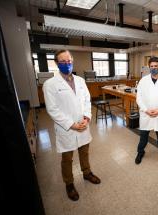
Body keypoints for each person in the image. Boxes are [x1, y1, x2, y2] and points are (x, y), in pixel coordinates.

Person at [43, 50, 101, 201]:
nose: (66, 64)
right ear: (57, 63)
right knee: (67, 158)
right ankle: (69, 183)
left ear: (72, 60)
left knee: (84, 152)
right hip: (66, 128)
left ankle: (87, 173)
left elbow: (87, 100)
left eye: (68, 60)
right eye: (62, 61)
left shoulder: (80, 81)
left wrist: (87, 118)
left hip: (83, 124)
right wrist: (71, 125)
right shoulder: (50, 84)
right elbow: (52, 109)